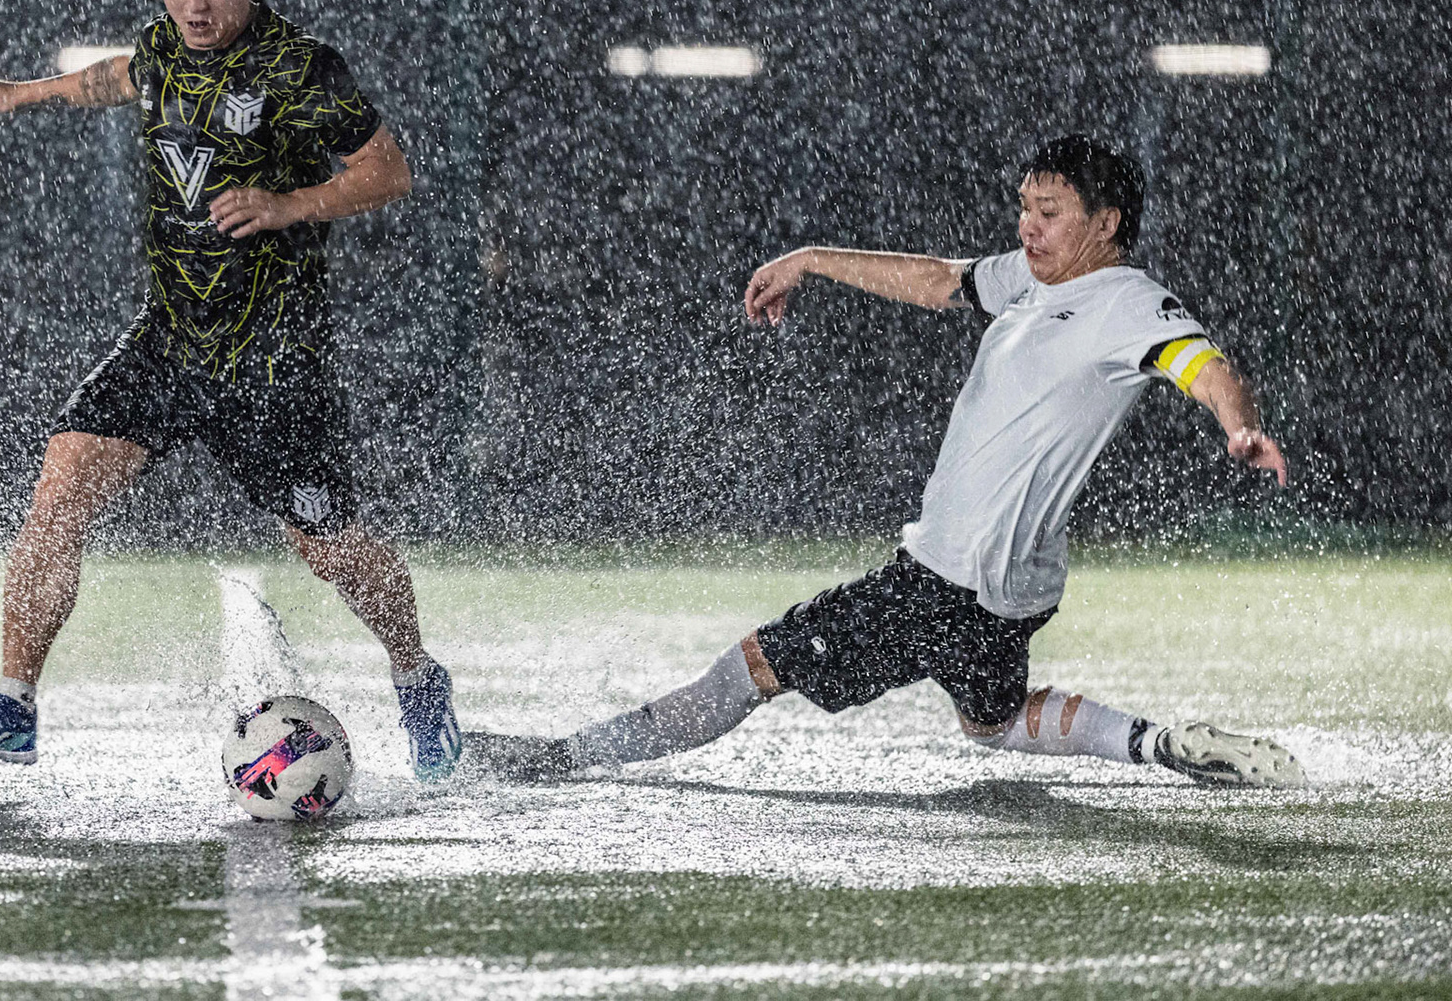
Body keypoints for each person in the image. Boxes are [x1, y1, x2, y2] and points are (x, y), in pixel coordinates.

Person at [470, 136, 1304, 789]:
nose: (1028, 227)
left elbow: (1206, 366)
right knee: (993, 720)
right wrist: (815, 259)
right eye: (1023, 207)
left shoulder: (1128, 302)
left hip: (945, 580)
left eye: (1049, 212)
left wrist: (1240, 427)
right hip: (1006, 594)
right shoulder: (1030, 280)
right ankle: (1158, 743)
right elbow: (942, 281)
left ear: (1107, 223)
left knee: (752, 667)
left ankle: (562, 758)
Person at [0, 0, 462, 778]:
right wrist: (21, 93)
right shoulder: (163, 48)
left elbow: (389, 171)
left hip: (274, 359)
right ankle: (14, 705)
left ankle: (417, 677)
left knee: (329, 549)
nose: (193, 3)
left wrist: (289, 202)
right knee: (58, 491)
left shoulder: (302, 69)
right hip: (171, 338)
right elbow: (114, 77)